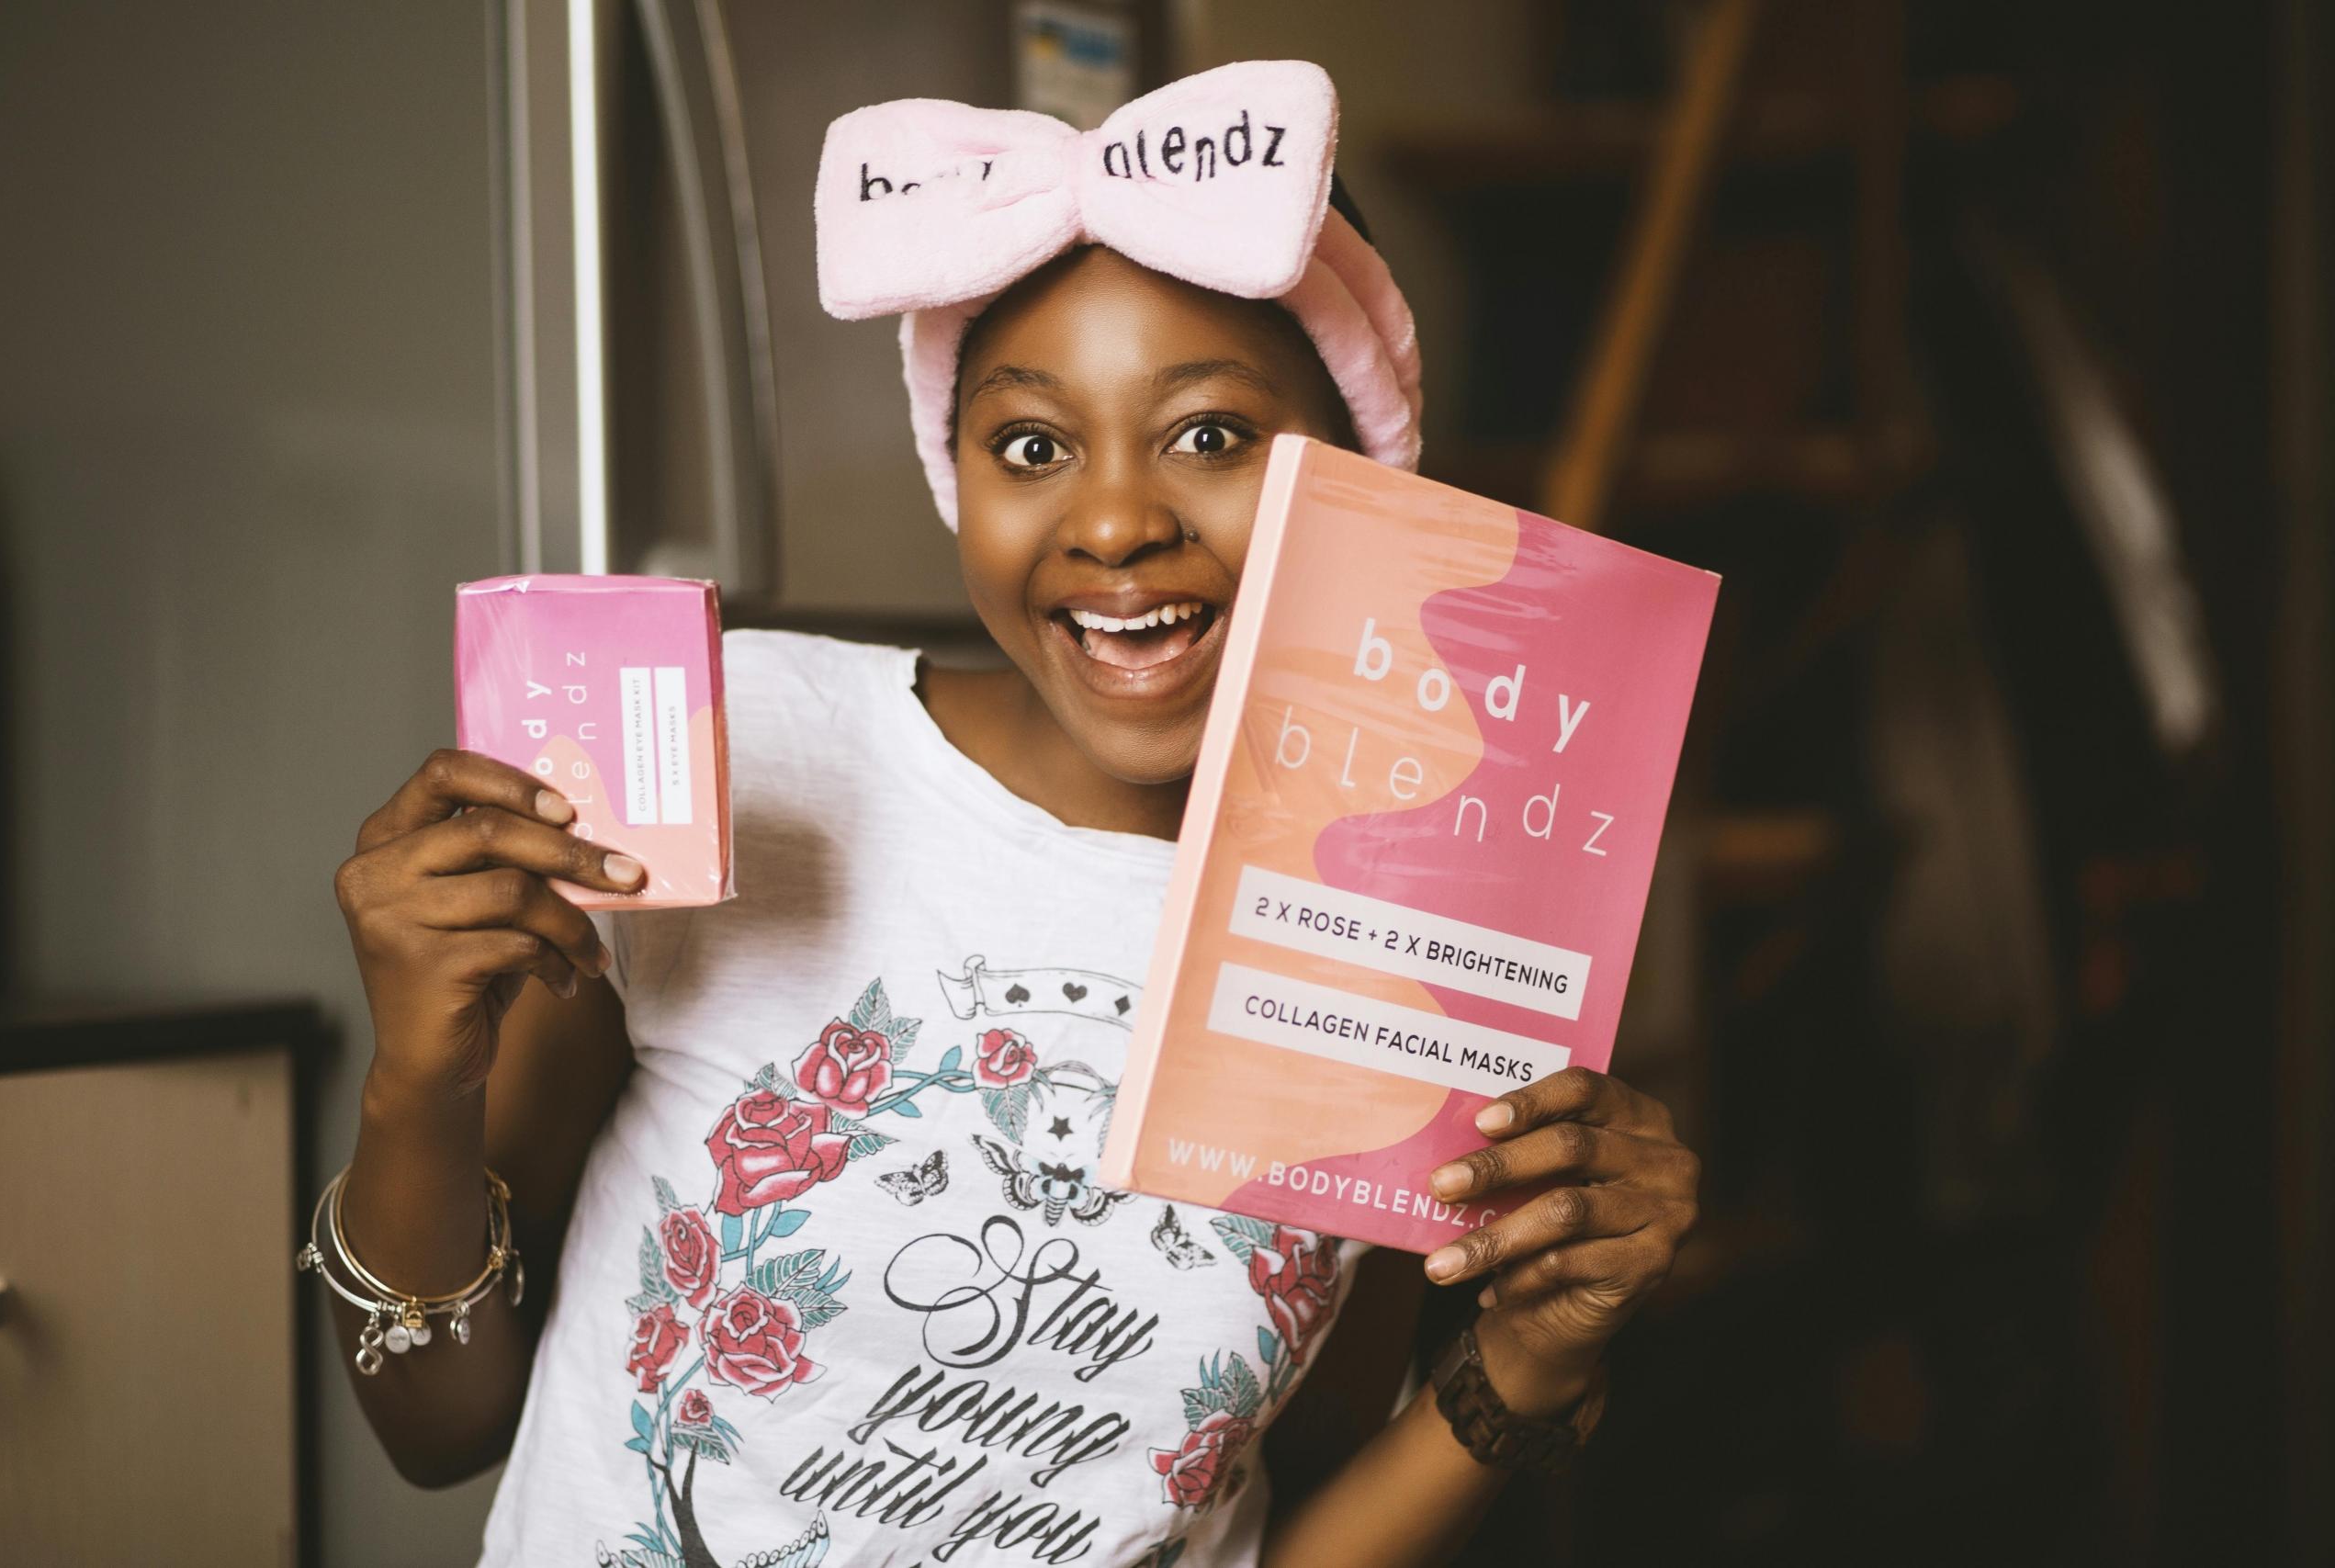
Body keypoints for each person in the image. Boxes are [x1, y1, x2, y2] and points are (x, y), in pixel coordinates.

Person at [324, 60, 1698, 1568]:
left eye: (1212, 435)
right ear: (958, 474)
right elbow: (437, 1430)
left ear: (1366, 479)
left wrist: (1526, 1367)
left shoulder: (1422, 912)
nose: (1113, 523)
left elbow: (1265, 1501)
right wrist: (418, 1081)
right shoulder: (743, 745)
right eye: (1032, 446)